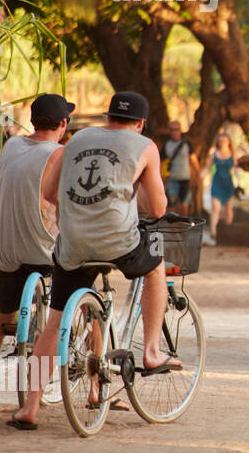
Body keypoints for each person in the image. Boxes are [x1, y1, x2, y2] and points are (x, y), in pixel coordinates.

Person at [9, 91, 178, 430]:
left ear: (108, 117)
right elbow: (158, 209)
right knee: (156, 264)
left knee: (55, 323)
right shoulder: (145, 147)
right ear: (141, 123)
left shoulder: (77, 140)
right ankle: (151, 351)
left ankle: (29, 408)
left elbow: (50, 193)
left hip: (72, 245)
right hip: (120, 243)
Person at [0, 94, 72, 415]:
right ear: (63, 124)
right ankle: (95, 388)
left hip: (4, 248)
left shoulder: (11, 146)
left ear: (34, 121)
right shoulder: (61, 154)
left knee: (1, 318)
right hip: (41, 250)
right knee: (62, 314)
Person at [206, 131, 238, 244]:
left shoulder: (233, 154)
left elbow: (236, 169)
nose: (222, 143)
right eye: (220, 141)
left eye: (224, 141)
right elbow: (208, 169)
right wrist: (201, 176)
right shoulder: (214, 154)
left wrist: (238, 183)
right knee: (215, 208)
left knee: (228, 210)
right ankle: (214, 232)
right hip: (217, 182)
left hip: (228, 183)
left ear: (229, 142)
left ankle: (228, 232)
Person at [162, 120, 194, 215]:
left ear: (180, 130)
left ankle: (184, 228)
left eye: (176, 130)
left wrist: (197, 175)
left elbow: (193, 159)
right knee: (171, 206)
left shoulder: (187, 144)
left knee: (184, 204)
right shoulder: (166, 145)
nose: (174, 132)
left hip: (185, 178)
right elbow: (161, 161)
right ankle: (173, 229)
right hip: (172, 178)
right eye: (171, 130)